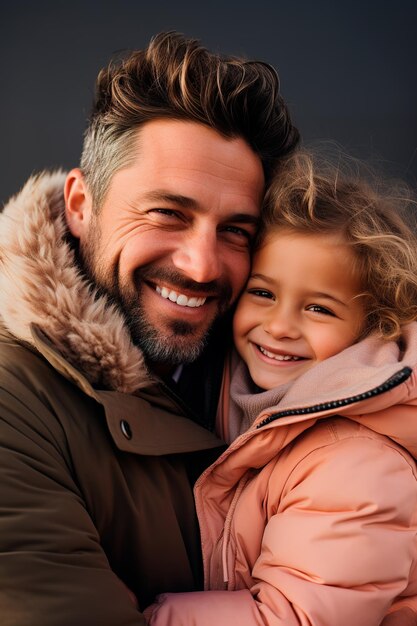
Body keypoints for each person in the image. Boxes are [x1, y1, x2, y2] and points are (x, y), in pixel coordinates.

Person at [0, 31, 299, 626]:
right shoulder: (13, 403)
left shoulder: (276, 370)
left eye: (235, 230)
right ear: (81, 205)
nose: (202, 265)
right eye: (168, 214)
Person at [145, 150, 417, 626]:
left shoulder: (355, 463)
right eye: (264, 293)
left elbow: (293, 619)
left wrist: (148, 616)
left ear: (373, 326)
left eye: (319, 309)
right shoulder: (240, 396)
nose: (280, 326)